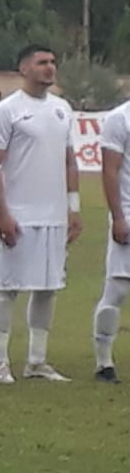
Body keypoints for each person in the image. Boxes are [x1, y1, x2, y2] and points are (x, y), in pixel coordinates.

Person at [0, 43, 81, 382]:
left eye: (52, 62)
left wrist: (73, 207)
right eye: (41, 62)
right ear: (24, 68)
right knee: (8, 287)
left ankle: (36, 361)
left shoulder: (62, 109)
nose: (49, 68)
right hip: (19, 214)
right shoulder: (6, 111)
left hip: (53, 215)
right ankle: (0, 361)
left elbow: (69, 161)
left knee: (47, 288)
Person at [93, 88, 130, 383]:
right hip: (128, 213)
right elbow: (110, 170)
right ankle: (103, 362)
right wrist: (117, 217)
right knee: (117, 289)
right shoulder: (120, 118)